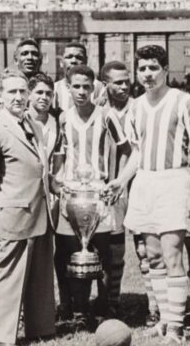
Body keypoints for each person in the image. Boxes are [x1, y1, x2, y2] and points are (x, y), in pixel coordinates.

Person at [107, 45, 190, 343]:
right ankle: (165, 320)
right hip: (145, 183)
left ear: (165, 69)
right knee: (153, 257)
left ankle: (175, 328)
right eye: (142, 69)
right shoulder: (136, 106)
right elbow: (137, 151)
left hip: (174, 180)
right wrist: (121, 181)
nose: (147, 74)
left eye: (153, 68)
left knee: (172, 253)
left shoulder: (185, 101)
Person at [0, 69, 59, 346]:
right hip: (13, 213)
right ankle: (3, 336)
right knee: (9, 276)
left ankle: (41, 328)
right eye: (12, 92)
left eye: (23, 91)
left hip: (40, 212)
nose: (19, 97)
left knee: (40, 274)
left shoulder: (31, 124)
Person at [55, 64, 129, 330]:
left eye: (87, 86)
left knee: (103, 254)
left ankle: (106, 306)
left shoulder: (106, 116)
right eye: (76, 86)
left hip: (99, 192)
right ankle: (79, 310)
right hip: (73, 193)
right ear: (68, 87)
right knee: (71, 252)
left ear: (95, 87)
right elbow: (59, 155)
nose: (82, 91)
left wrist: (116, 182)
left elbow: (125, 150)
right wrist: (57, 182)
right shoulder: (63, 118)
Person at [100, 61, 144, 324]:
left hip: (139, 186)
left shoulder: (140, 108)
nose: (124, 86)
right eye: (117, 82)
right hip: (112, 190)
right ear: (105, 83)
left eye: (127, 81)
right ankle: (111, 304)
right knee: (113, 252)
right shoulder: (99, 111)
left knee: (145, 251)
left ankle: (155, 309)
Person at [0, 39, 43, 112]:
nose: (30, 57)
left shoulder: (45, 85)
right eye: (24, 53)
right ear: (16, 60)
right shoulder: (0, 81)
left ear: (40, 60)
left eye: (34, 54)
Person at [53, 41, 105, 111]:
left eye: (79, 57)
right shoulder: (54, 88)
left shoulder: (99, 87)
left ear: (86, 61)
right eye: (69, 57)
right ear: (61, 62)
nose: (74, 61)